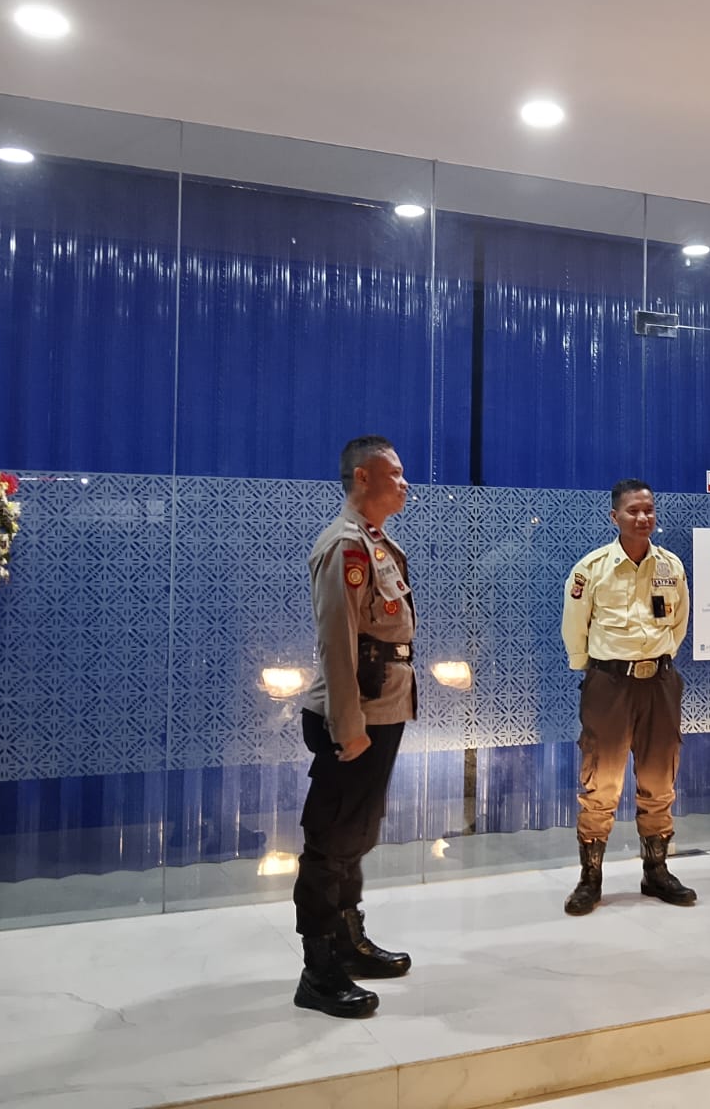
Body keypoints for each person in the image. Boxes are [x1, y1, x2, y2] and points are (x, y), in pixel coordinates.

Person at [292, 435, 416, 1018]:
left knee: (356, 835)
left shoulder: (377, 544)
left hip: (382, 708)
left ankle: (348, 941)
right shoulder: (345, 546)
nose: (405, 483)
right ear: (362, 477)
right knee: (329, 841)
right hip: (356, 714)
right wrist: (348, 725)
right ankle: (318, 969)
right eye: (395, 473)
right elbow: (337, 644)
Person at [559, 479, 696, 915]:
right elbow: (575, 626)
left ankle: (656, 871)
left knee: (659, 778)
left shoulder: (670, 565)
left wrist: (659, 659)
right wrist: (593, 672)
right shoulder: (592, 569)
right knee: (600, 780)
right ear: (614, 516)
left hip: (659, 683)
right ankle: (590, 878)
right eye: (633, 511)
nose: (643, 518)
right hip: (610, 684)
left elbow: (679, 622)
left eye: (649, 510)